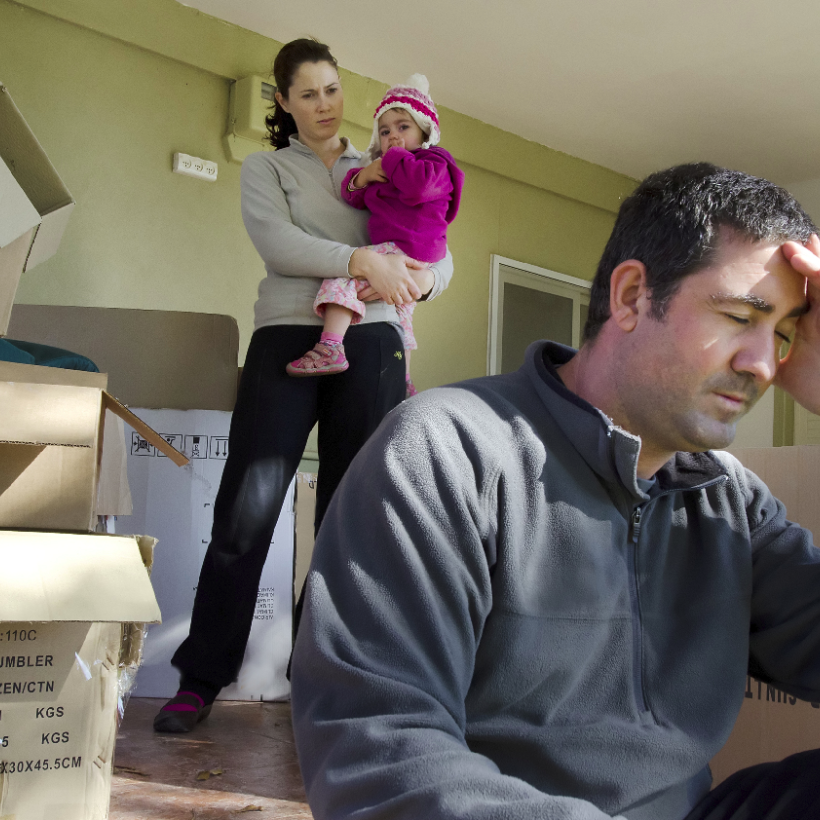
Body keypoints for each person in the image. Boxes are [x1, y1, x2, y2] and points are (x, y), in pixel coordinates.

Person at [290, 163, 820, 820]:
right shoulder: (445, 452)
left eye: (786, 335)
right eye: (741, 317)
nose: (764, 364)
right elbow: (377, 754)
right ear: (632, 296)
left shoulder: (729, 503)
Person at [152, 37, 453, 733]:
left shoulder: (383, 157)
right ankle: (202, 676)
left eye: (333, 89)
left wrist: (422, 280)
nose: (325, 105)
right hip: (287, 336)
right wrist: (361, 260)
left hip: (374, 341)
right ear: (283, 101)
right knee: (247, 509)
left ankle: (319, 679)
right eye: (309, 93)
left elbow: (438, 244)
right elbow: (278, 244)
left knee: (350, 520)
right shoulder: (268, 168)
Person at [286, 74, 464, 399]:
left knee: (344, 273)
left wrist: (392, 157)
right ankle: (405, 380)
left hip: (410, 245)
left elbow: (420, 187)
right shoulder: (389, 170)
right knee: (401, 312)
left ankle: (330, 346)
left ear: (425, 131)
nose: (392, 135)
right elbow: (355, 198)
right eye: (384, 131)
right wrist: (364, 176)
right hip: (405, 251)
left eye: (403, 127)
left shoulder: (434, 161)